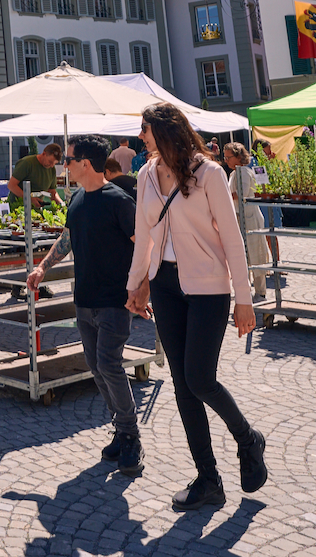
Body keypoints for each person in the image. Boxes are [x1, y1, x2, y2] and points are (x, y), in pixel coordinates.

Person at [126, 104, 267, 511]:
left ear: (165, 131)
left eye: (145, 129)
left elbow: (233, 240)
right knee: (183, 384)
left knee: (200, 378)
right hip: (166, 285)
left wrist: (244, 298)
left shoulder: (209, 173)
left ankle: (247, 438)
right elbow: (144, 234)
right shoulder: (146, 176)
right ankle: (208, 480)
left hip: (208, 287)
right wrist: (137, 285)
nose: (141, 136)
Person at [28, 136, 141, 475]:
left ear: (86, 164)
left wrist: (140, 290)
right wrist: (42, 267)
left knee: (109, 364)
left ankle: (131, 435)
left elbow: (142, 247)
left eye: (70, 159)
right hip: (85, 300)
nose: (65, 164)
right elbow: (67, 239)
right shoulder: (76, 199)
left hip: (114, 300)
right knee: (96, 367)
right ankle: (121, 430)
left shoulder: (119, 200)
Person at [222, 143, 277, 301]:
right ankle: (244, 289)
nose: (226, 160)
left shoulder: (244, 172)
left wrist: (224, 194)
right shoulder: (234, 173)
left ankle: (260, 291)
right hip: (239, 218)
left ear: (238, 157)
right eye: (224, 157)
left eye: (228, 157)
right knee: (242, 256)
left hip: (250, 218)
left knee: (255, 253)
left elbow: (242, 194)